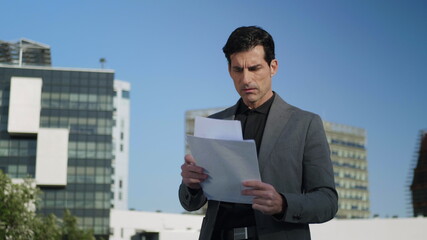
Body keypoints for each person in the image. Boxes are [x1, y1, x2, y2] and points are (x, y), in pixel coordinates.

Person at [179, 26, 338, 240]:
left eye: (254, 68)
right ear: (229, 71)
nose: (245, 79)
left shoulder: (305, 124)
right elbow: (190, 203)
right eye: (238, 70)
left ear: (273, 67)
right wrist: (191, 185)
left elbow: (327, 201)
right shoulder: (213, 124)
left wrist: (283, 203)